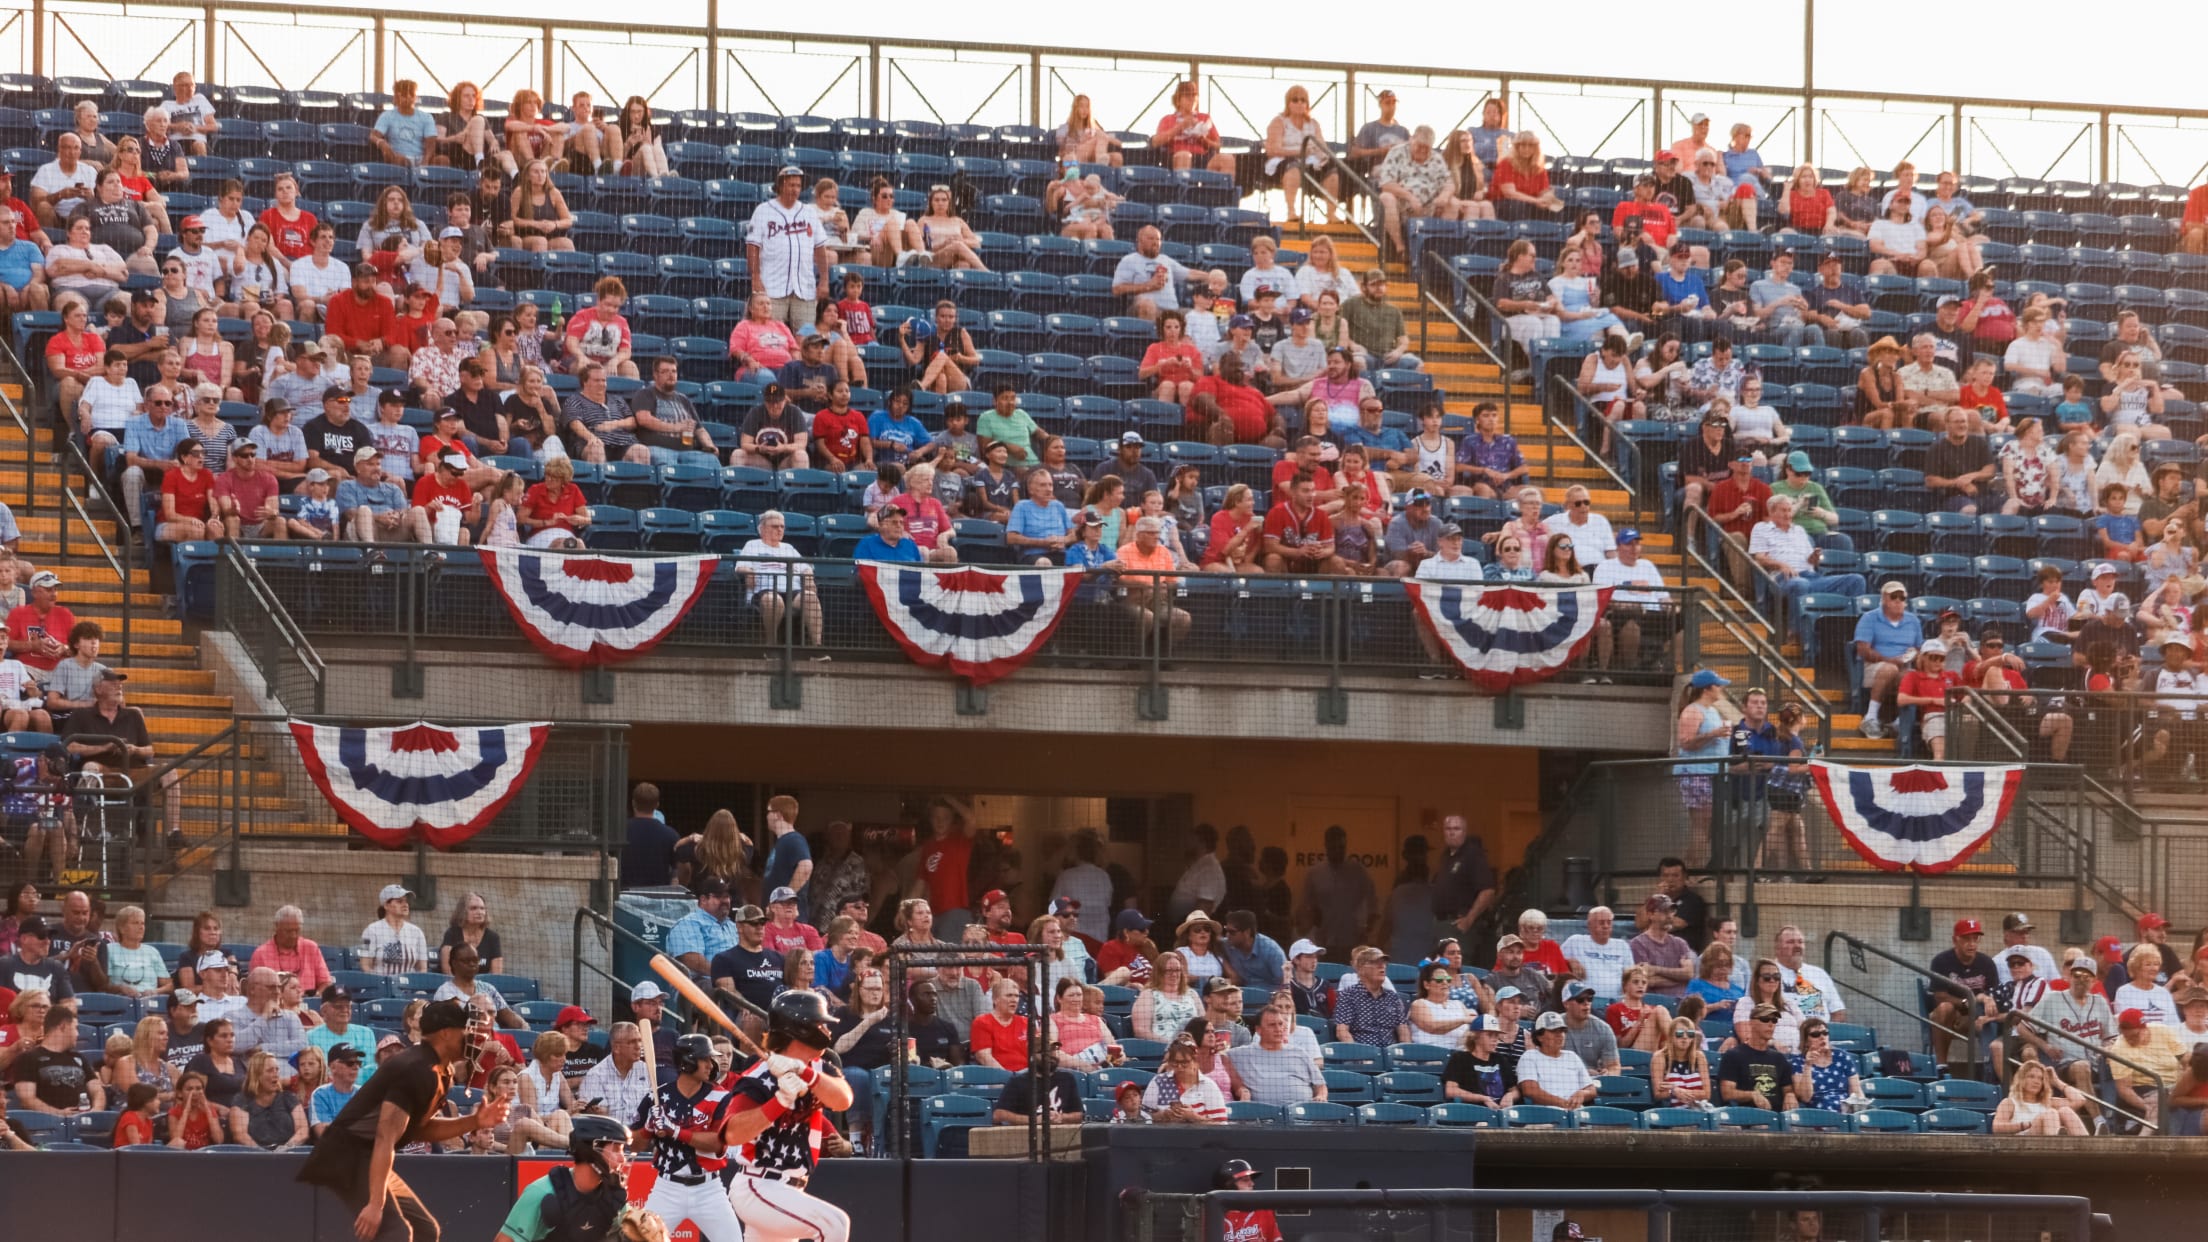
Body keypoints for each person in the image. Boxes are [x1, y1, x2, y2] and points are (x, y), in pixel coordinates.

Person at [299, 999, 508, 1242]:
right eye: (467, 1029)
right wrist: (375, 1204)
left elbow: (418, 1129)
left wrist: (475, 1121)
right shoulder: (415, 1069)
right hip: (347, 1155)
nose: (474, 1036)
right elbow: (385, 1136)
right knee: (395, 1233)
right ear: (446, 1033)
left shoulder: (442, 1070)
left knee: (425, 1231)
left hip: (368, 1155)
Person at [1718, 1002, 1794, 1111]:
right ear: (1752, 1022)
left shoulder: (1779, 1058)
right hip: (1747, 1115)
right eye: (1765, 1019)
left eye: (1774, 1020)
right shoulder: (1733, 1055)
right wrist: (1752, 1095)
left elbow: (1787, 1088)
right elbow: (1727, 1093)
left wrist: (1790, 1095)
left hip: (1777, 1116)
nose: (1770, 1024)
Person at [359, 883, 429, 976]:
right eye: (399, 901)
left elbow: (422, 968)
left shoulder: (417, 932)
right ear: (386, 905)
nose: (405, 905)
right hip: (380, 986)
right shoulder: (371, 930)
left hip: (410, 988)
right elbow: (365, 965)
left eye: (406, 901)